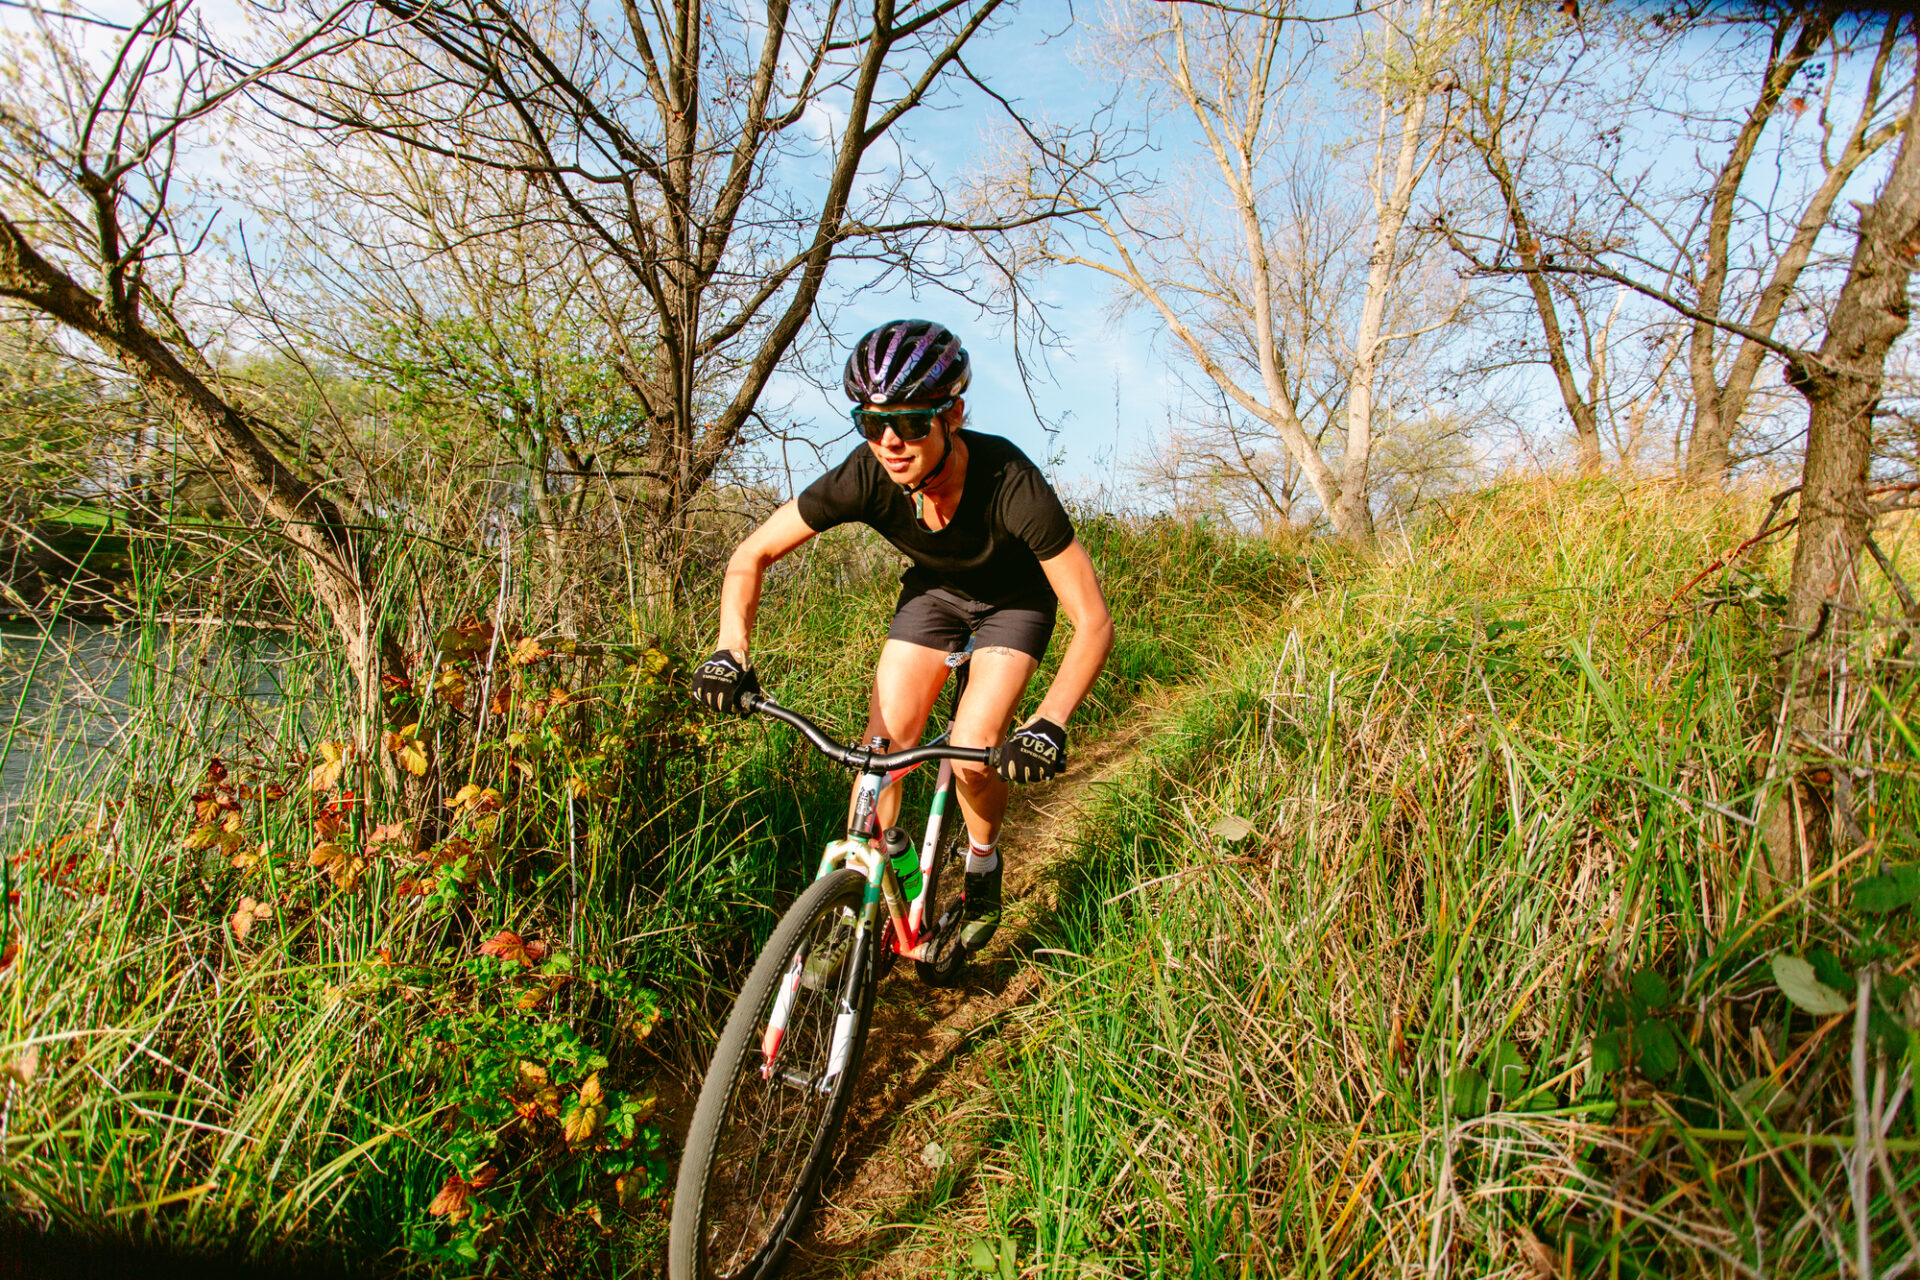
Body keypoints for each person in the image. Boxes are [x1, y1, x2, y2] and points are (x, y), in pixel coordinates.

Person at [690, 319, 1114, 951]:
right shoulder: (865, 475)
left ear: (953, 415)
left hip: (1013, 603)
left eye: (912, 422)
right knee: (878, 755)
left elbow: (1094, 620)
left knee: (972, 751)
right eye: (871, 423)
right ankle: (865, 901)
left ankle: (981, 862)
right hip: (934, 594)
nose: (890, 442)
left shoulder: (1012, 482)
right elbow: (752, 554)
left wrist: (1049, 721)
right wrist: (731, 649)